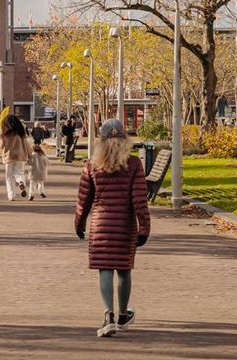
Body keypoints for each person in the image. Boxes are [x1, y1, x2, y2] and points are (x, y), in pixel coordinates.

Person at [73, 119, 150, 337]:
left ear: (101, 140)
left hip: (100, 224)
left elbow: (84, 200)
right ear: (125, 140)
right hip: (125, 224)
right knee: (124, 270)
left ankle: (108, 315)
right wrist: (144, 227)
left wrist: (79, 223)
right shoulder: (134, 164)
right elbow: (139, 201)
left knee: (104, 268)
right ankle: (123, 315)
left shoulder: (91, 165)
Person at [0, 113, 32, 201]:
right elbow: (27, 144)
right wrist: (30, 154)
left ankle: (11, 195)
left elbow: (0, 145)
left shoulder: (5, 133)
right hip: (20, 156)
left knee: (9, 177)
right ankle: (21, 182)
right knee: (19, 173)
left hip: (9, 156)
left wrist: (0, 134)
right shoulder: (20, 133)